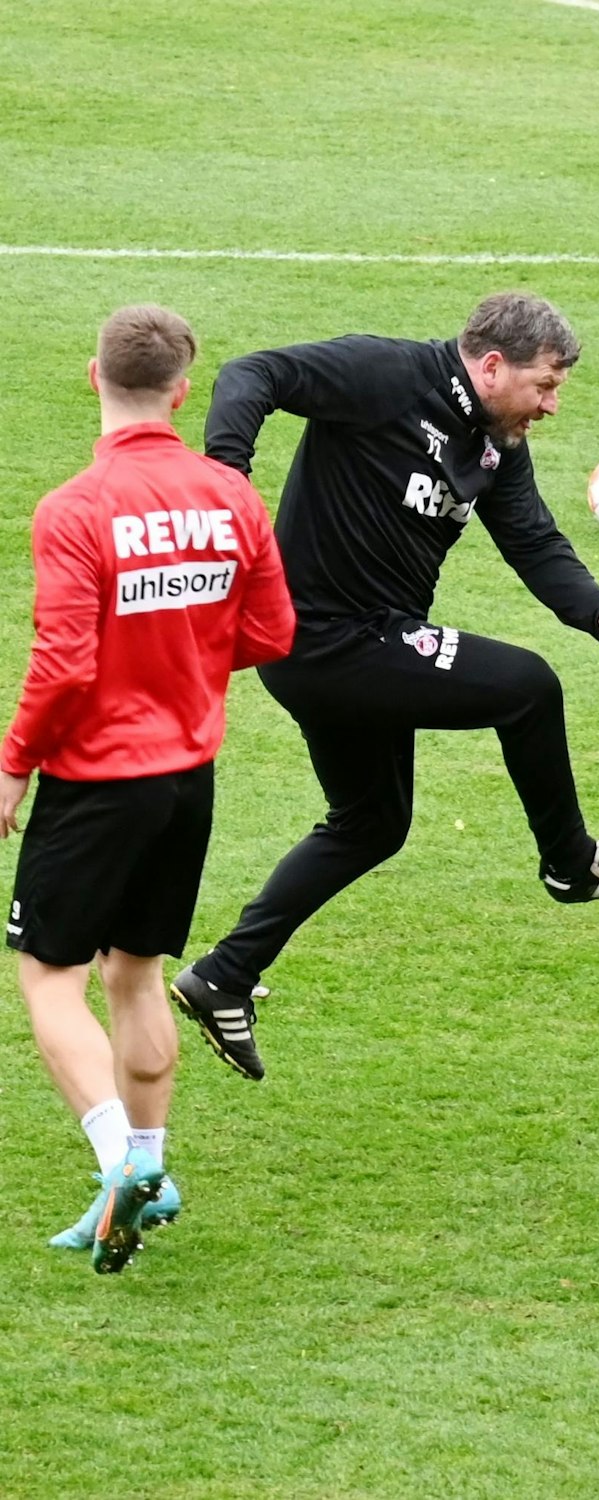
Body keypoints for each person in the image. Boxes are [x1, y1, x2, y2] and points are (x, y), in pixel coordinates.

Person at [169, 292, 599, 1083]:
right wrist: (226, 478)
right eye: (545, 385)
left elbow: (535, 542)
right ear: (491, 366)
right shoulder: (385, 374)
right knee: (526, 686)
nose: (551, 405)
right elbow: (255, 373)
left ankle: (224, 976)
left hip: (355, 647)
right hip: (327, 636)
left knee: (372, 822)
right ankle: (572, 865)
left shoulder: (496, 446)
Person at [1, 305, 295, 1272]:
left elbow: (63, 663)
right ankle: (148, 1168)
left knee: (49, 978)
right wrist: (186, 654)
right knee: (132, 973)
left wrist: (11, 770)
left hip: (95, 782)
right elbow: (270, 635)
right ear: (182, 390)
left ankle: (123, 1161)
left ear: (94, 378)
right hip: (187, 780)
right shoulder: (230, 498)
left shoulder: (76, 509)